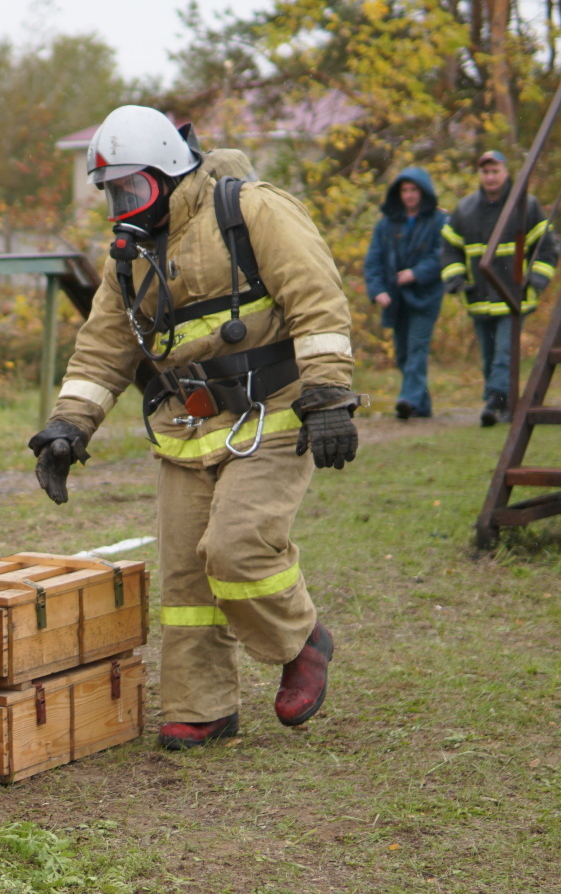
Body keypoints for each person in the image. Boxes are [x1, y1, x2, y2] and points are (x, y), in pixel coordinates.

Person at [26, 105, 361, 751]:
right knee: (184, 578)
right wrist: (69, 425)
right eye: (113, 193)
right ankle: (201, 704)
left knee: (235, 548)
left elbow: (316, 294)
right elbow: (103, 346)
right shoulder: (129, 255)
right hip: (184, 428)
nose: (123, 205)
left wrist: (329, 396)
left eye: (135, 188)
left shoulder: (252, 210)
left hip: (276, 414)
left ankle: (301, 639)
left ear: (170, 172)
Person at [441, 150, 553, 426]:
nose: (490, 177)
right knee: (489, 357)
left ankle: (493, 401)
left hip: (514, 297)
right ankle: (503, 404)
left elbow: (547, 247)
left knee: (504, 352)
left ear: (506, 173)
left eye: (495, 171)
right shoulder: (464, 209)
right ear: (479, 175)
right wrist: (456, 281)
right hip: (478, 298)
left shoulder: (527, 206)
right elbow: (449, 249)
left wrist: (537, 280)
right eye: (485, 172)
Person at [362, 168, 446, 419]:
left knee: (417, 348)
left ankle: (407, 399)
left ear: (424, 192)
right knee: (403, 353)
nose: (409, 195)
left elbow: (441, 255)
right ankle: (422, 404)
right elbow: (373, 261)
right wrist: (377, 291)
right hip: (395, 299)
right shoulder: (386, 224)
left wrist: (416, 273)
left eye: (414, 190)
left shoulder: (439, 221)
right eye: (405, 190)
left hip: (426, 297)